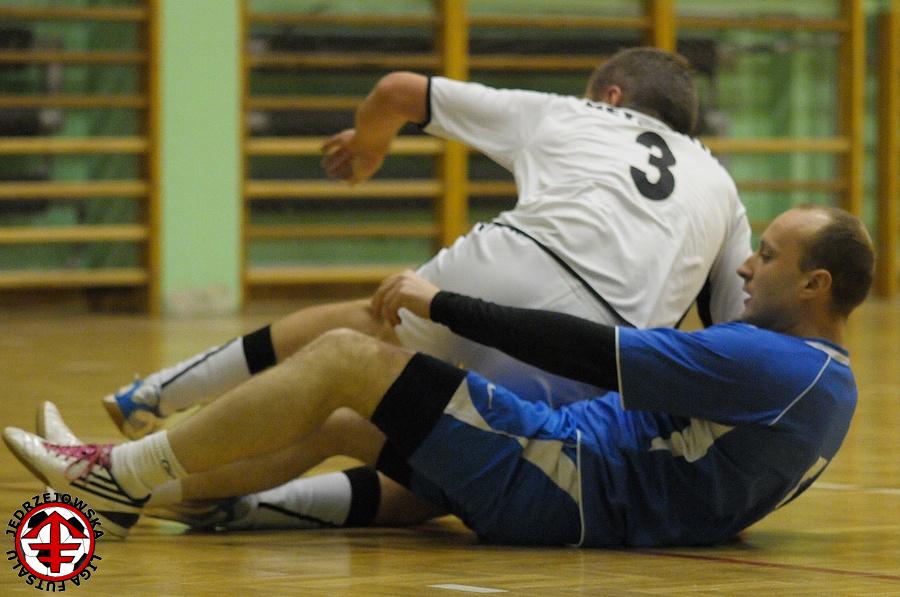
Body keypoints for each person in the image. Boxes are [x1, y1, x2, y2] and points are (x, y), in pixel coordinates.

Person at [99, 47, 751, 529]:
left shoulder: (574, 114)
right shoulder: (720, 187)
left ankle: (151, 399)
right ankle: (187, 494)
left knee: (363, 325)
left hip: (508, 268)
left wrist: (370, 144)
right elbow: (740, 326)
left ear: (609, 95)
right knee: (452, 459)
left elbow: (398, 90)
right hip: (587, 357)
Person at [5, 205, 874, 546]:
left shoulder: (772, 361)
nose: (747, 265)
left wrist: (444, 301)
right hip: (579, 483)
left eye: (768, 256)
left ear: (816, 284)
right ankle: (132, 494)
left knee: (347, 357)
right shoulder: (823, 380)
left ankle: (115, 471)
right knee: (343, 421)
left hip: (564, 480)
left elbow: (585, 349)